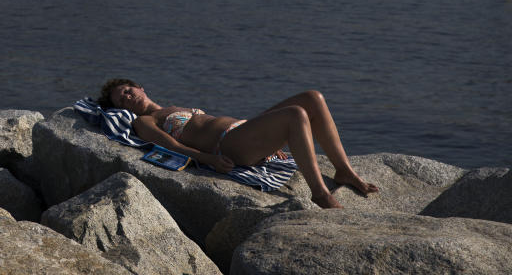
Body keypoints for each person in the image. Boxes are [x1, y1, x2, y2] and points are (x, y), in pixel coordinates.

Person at [98, 79, 378, 209]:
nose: (126, 97)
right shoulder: (144, 121)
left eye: (126, 90)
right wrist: (208, 160)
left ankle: (344, 171)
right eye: (120, 100)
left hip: (242, 131)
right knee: (295, 115)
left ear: (140, 87)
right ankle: (319, 193)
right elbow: (169, 146)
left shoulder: (171, 105)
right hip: (229, 146)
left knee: (312, 97)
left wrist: (264, 134)